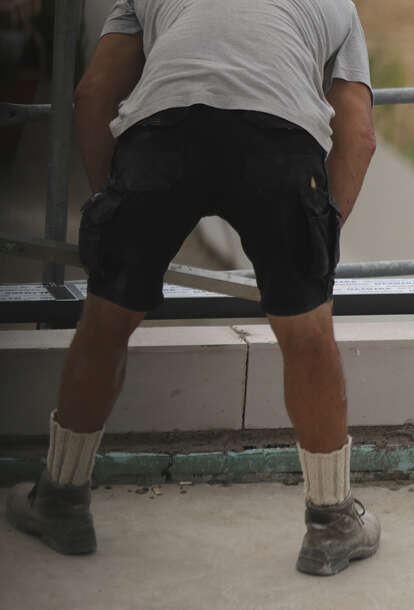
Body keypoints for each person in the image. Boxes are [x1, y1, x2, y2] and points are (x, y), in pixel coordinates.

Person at [6, 0, 378, 576]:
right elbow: (358, 130)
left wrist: (114, 201)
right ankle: (331, 524)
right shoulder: (336, 5)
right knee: (307, 334)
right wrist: (319, 239)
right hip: (279, 144)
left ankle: (61, 499)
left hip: (163, 136)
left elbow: (93, 92)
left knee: (106, 322)